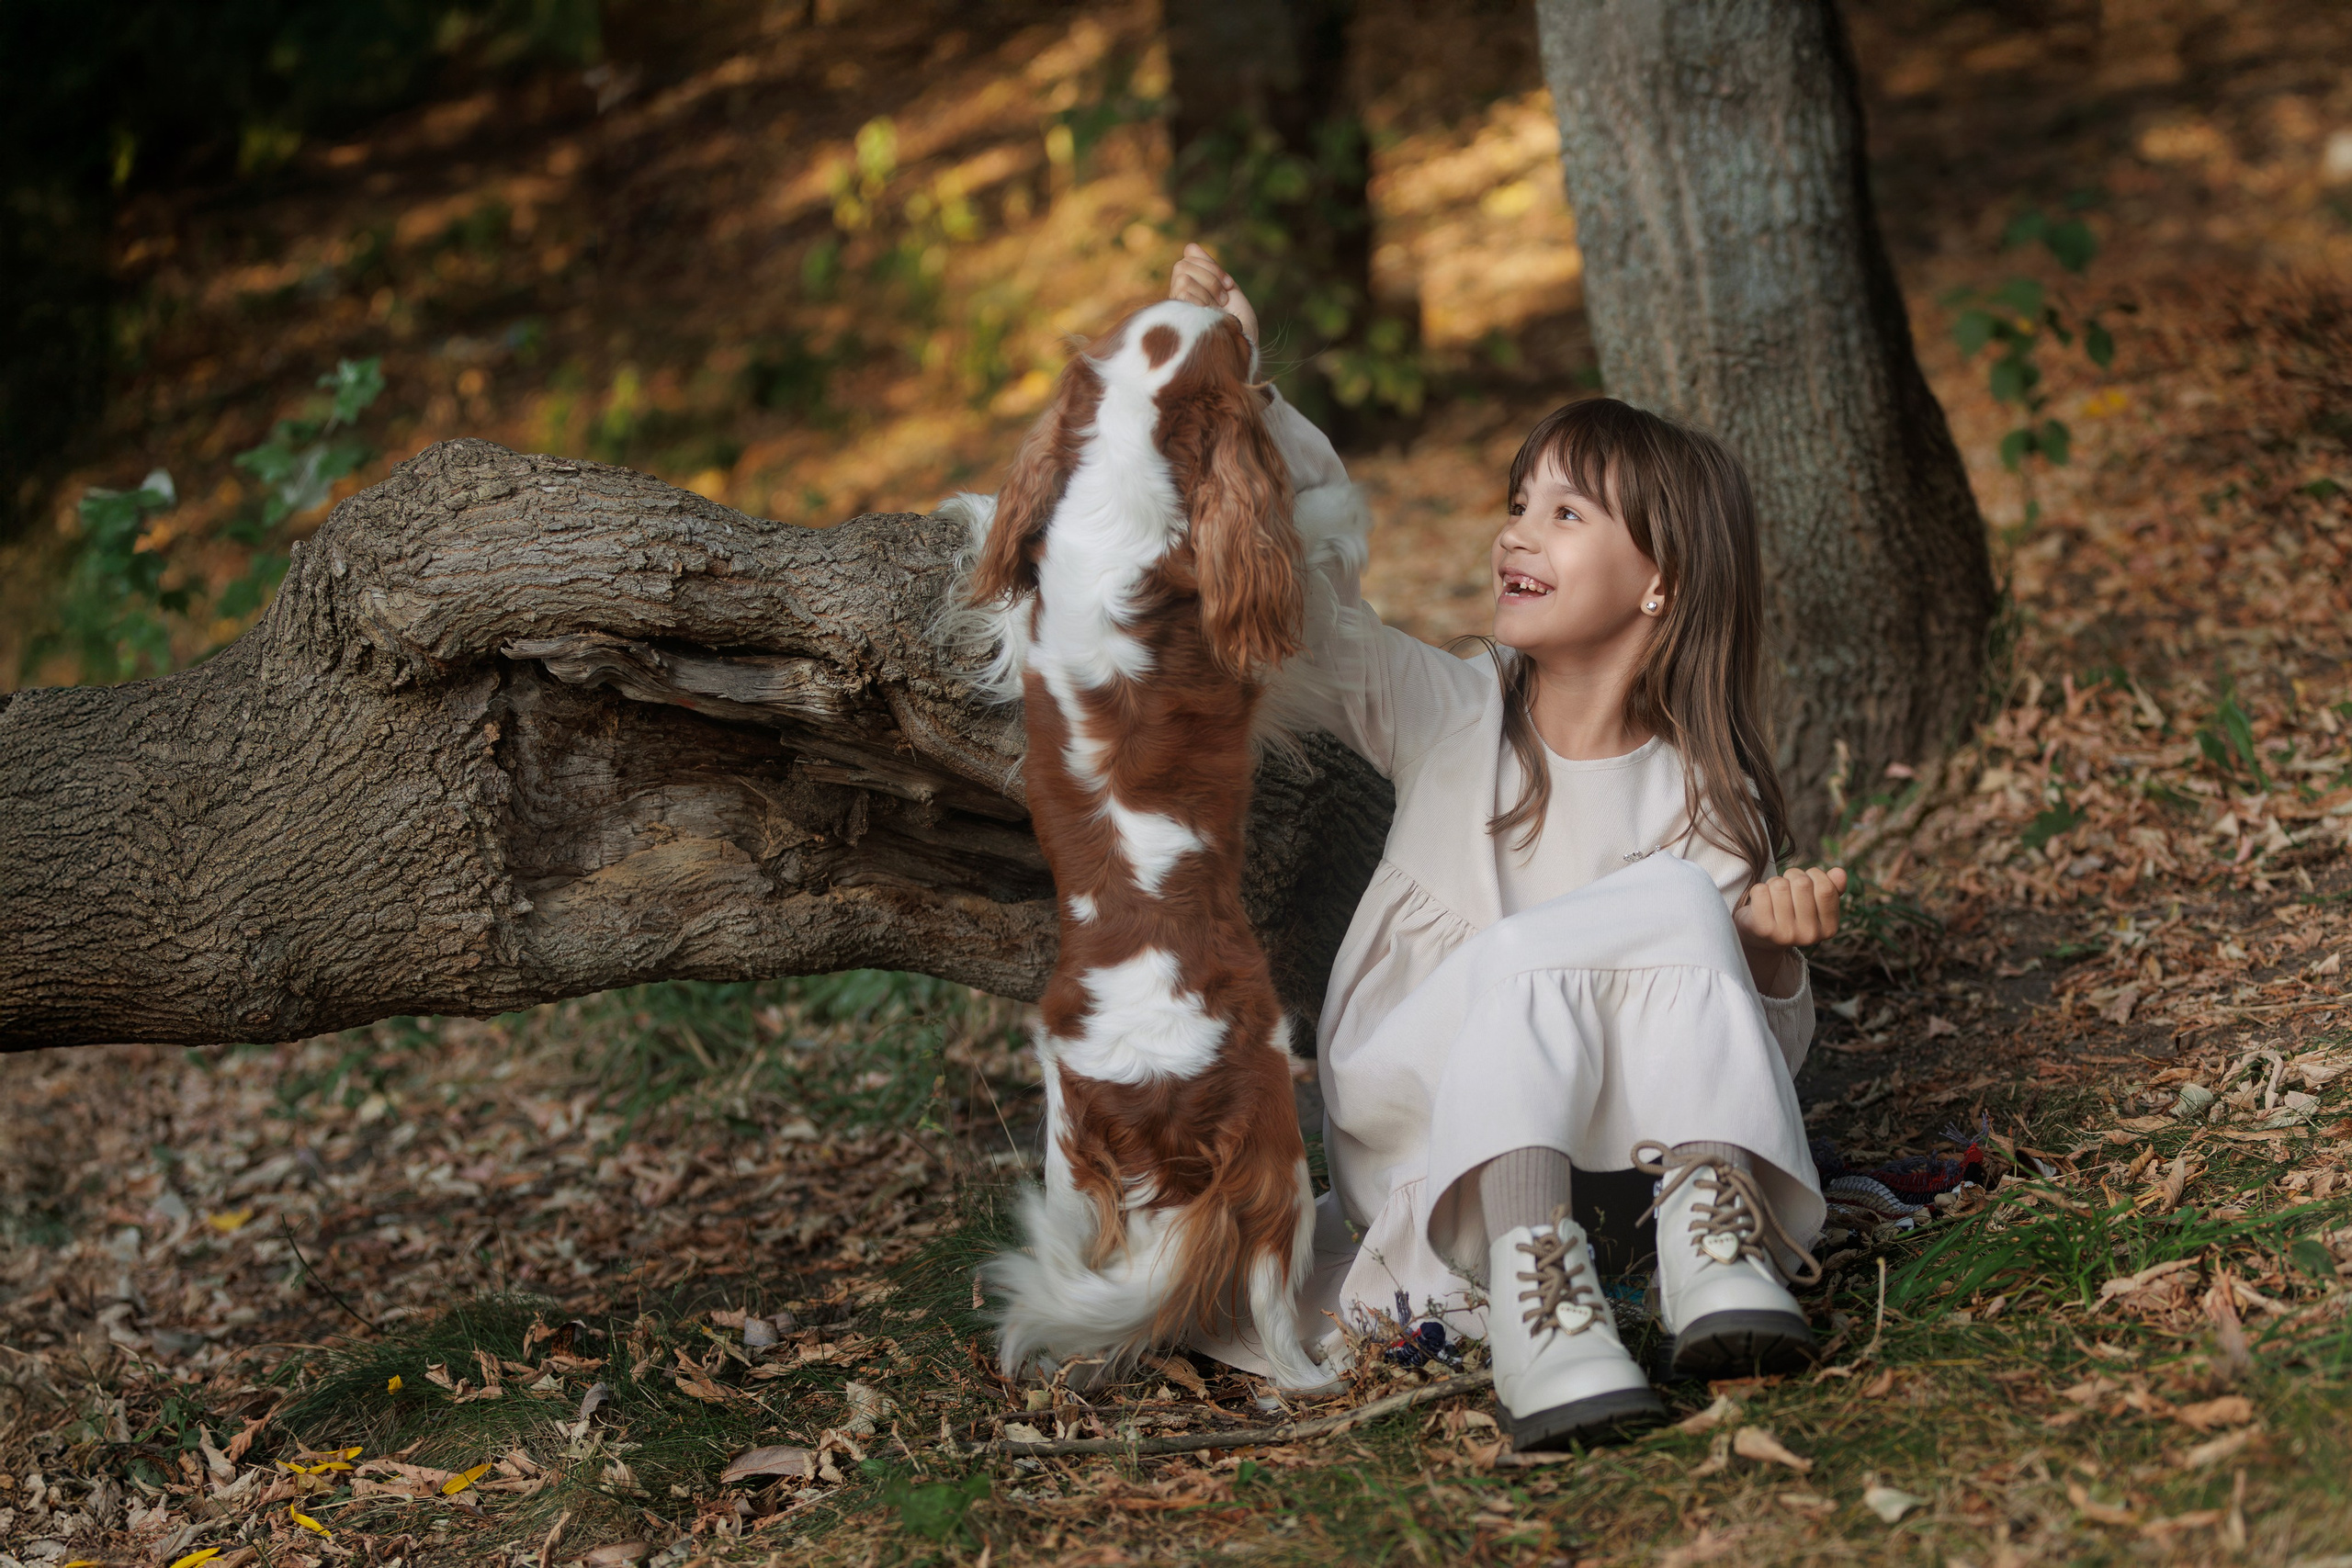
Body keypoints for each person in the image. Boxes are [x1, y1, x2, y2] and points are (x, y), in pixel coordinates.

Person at [1164, 243, 1849, 1450]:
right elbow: (1313, 602)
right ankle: (1549, 1299)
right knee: (1660, 912)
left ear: (1660, 584)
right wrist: (1246, 393)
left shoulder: (1709, 794)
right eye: (1518, 502)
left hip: (1607, 1168)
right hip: (1426, 1134)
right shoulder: (1450, 712)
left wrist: (1776, 963)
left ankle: (1698, 1234)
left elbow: (1748, 1053)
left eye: (1565, 513)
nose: (1513, 534)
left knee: (1692, 909)